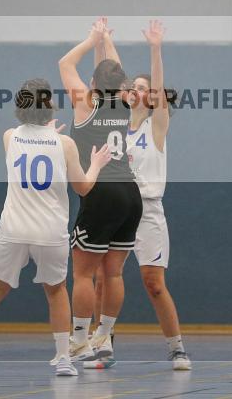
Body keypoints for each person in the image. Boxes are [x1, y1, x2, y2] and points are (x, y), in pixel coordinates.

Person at [0, 79, 112, 377]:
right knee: (57, 291)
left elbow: (33, 144)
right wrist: (97, 164)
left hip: (13, 229)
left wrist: (48, 137)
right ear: (49, 105)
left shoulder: (9, 136)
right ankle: (63, 358)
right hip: (49, 232)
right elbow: (84, 187)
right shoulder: (65, 145)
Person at [88, 19, 191, 371]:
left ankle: (176, 348)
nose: (137, 89)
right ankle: (101, 345)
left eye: (144, 87)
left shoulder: (156, 125)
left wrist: (155, 48)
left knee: (154, 283)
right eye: (134, 86)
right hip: (116, 207)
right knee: (102, 279)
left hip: (147, 210)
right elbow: (110, 76)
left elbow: (158, 89)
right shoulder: (114, 120)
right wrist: (102, 41)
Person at [59, 21, 143, 365]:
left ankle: (79, 339)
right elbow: (116, 70)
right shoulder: (125, 102)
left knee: (82, 273)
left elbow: (65, 64)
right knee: (114, 273)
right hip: (130, 192)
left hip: (102, 191)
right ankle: (103, 336)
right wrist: (107, 40)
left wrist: (92, 38)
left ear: (92, 84)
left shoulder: (85, 103)